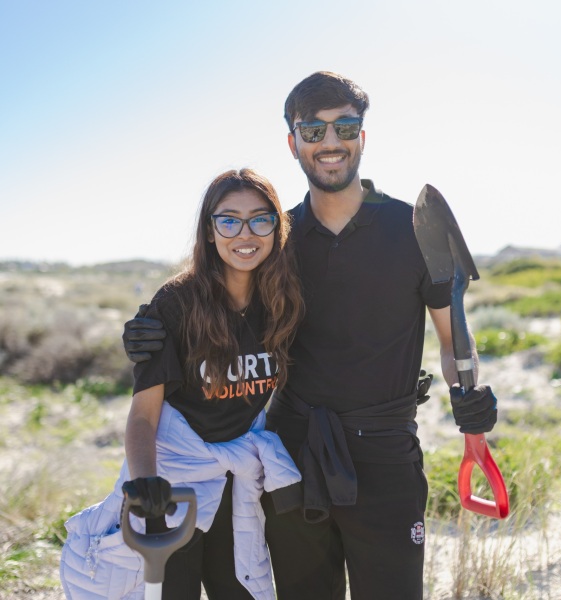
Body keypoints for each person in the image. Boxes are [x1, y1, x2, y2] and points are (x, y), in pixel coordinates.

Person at [122, 72, 497, 600]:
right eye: (312, 130)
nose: (330, 142)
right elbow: (217, 300)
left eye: (345, 126)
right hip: (292, 457)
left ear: (362, 137)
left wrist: (470, 393)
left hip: (387, 452)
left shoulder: (413, 229)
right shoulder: (280, 239)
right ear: (293, 142)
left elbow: (453, 335)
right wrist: (148, 331)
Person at [61, 168, 305, 600]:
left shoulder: (282, 302)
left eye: (260, 219)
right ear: (210, 231)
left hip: (234, 477)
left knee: (240, 591)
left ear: (276, 228)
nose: (244, 233)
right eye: (229, 220)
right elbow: (143, 416)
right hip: (172, 479)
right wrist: (145, 484)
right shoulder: (176, 304)